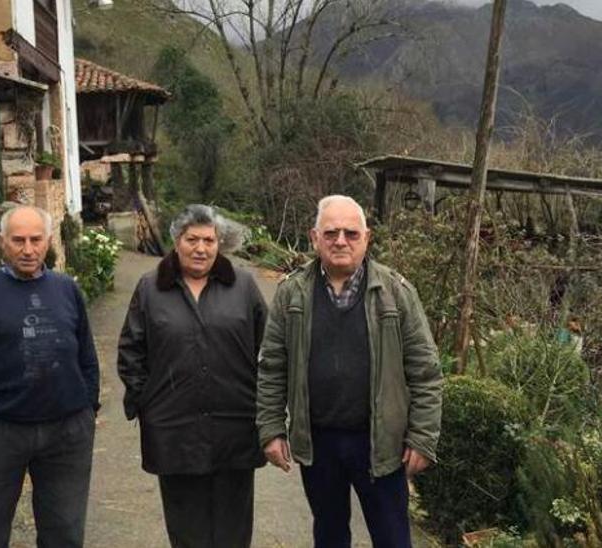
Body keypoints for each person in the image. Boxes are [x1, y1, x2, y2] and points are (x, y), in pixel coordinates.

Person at [256, 195, 443, 548]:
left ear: (367, 238)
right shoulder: (291, 293)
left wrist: (422, 437)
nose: (340, 240)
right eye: (331, 233)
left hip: (380, 443)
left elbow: (426, 371)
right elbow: (272, 369)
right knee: (329, 534)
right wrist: (270, 429)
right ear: (314, 238)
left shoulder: (395, 294)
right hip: (319, 442)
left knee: (392, 537)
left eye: (351, 233)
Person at [0, 205, 100, 548]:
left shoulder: (67, 290)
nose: (28, 249)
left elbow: (87, 356)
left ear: (48, 241)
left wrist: (87, 408)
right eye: (18, 240)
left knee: (65, 532)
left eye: (35, 239)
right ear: (3, 243)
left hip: (66, 432)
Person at [117, 204, 268, 548]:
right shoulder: (151, 288)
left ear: (220, 243)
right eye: (192, 240)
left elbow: (269, 350)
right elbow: (131, 351)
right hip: (174, 429)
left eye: (209, 240)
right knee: (187, 527)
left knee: (234, 526)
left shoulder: (243, 286)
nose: (201, 248)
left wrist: (263, 405)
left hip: (236, 424)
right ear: (176, 241)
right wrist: (148, 404)